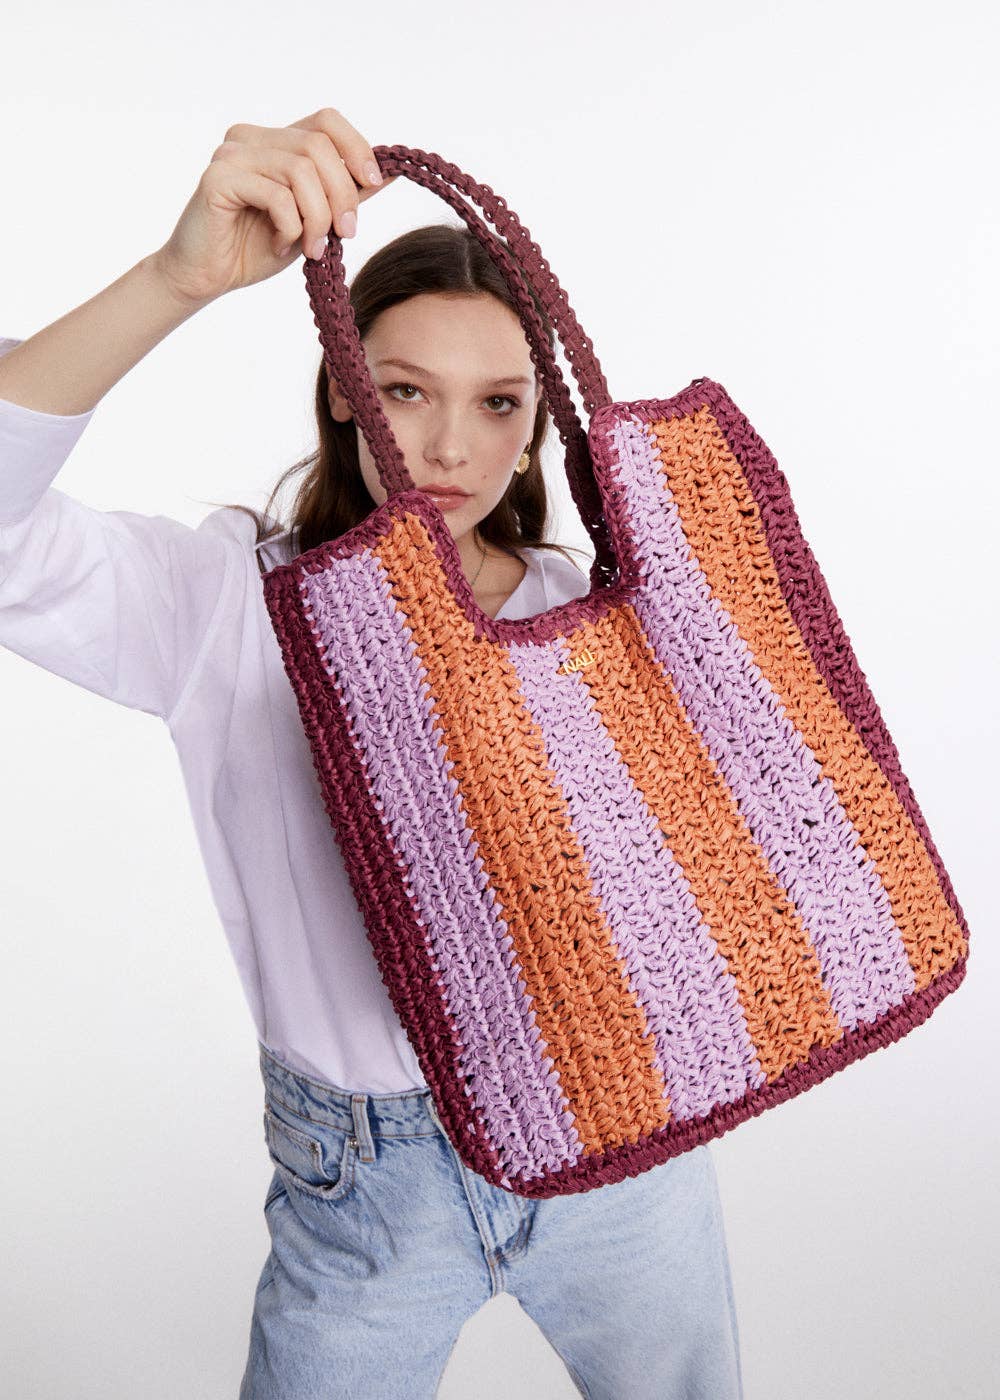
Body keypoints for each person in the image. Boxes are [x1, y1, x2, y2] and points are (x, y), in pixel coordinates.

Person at [0, 106, 744, 1400]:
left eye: (498, 403)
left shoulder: (591, 611)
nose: (450, 446)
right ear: (345, 390)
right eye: (406, 391)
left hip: (626, 1136)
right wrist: (176, 278)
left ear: (536, 424)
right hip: (367, 1180)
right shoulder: (234, 604)